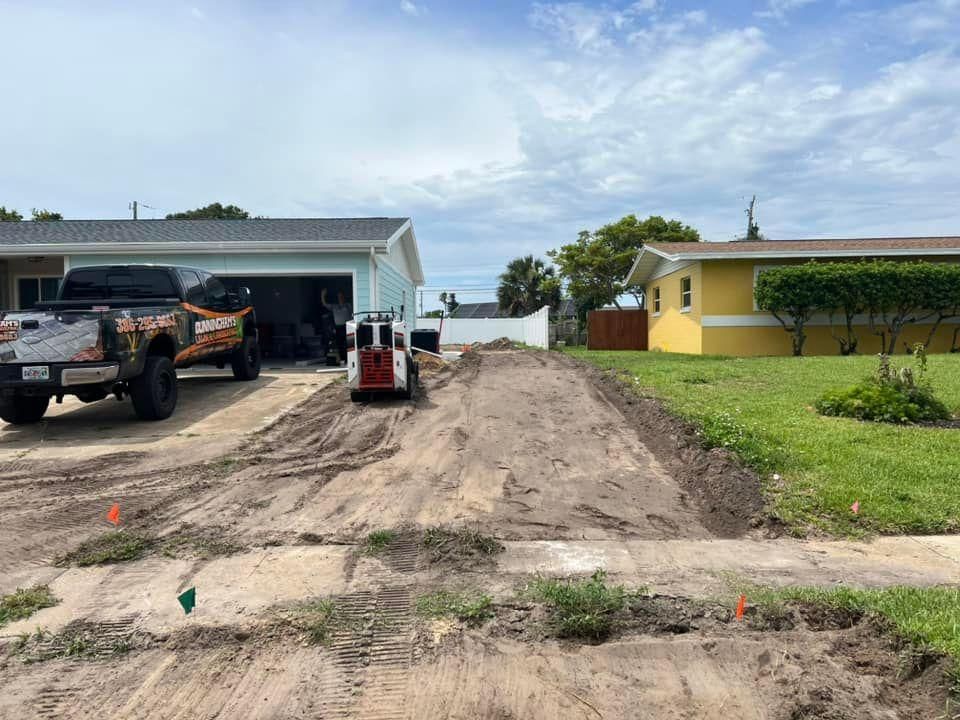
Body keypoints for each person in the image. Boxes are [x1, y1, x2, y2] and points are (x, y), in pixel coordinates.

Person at [323, 288, 352, 365]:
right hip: (338, 327)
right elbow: (325, 304)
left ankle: (348, 359)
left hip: (347, 327)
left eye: (341, 296)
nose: (340, 298)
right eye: (339, 297)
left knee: (347, 344)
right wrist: (322, 295)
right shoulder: (334, 306)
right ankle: (342, 359)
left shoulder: (348, 305)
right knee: (339, 344)